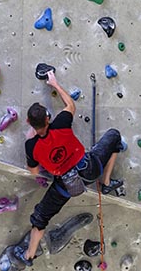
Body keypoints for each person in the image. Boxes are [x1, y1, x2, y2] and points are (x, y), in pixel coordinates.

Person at [23, 70, 124, 260]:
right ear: (48, 118)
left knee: (40, 218)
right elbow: (70, 104)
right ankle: (106, 181)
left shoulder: (31, 146)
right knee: (114, 136)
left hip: (65, 186)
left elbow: (34, 171)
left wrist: (32, 137)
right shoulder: (61, 122)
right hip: (89, 167)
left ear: (29, 122)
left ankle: (30, 254)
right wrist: (54, 83)